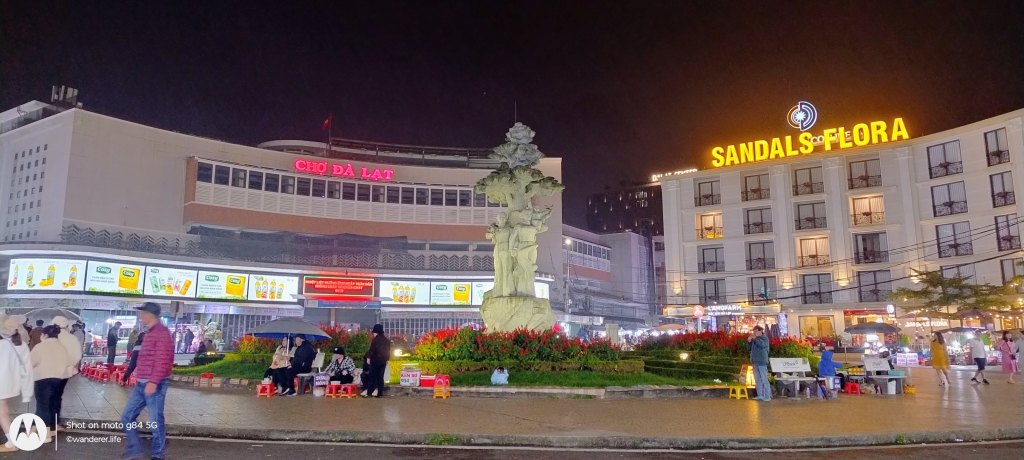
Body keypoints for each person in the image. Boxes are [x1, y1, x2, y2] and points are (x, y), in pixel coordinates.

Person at [121, 302, 173, 460]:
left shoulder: (162, 333)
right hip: (141, 383)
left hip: (154, 384)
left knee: (155, 421)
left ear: (150, 315)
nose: (140, 316)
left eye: (142, 313)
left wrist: (154, 382)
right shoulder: (149, 332)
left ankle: (158, 454)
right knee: (127, 416)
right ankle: (134, 450)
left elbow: (163, 360)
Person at [30, 325, 72, 439]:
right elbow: (68, 363)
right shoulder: (62, 347)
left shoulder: (40, 346)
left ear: (44, 335)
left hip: (43, 379)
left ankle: (46, 435)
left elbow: (31, 362)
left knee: (43, 406)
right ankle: (49, 429)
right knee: (52, 405)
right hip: (59, 379)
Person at [0, 315, 34, 453]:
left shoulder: (2, 345)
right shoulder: (22, 345)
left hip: (1, 385)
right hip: (10, 385)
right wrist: (26, 393)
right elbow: (27, 368)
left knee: (2, 412)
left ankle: (12, 443)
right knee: (3, 411)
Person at [51, 316, 82, 431]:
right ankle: (56, 422)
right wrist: (70, 366)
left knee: (49, 397)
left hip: (50, 371)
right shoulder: (72, 338)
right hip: (65, 372)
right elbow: (78, 355)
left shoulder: (51, 337)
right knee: (57, 396)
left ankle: (48, 423)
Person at [361, 324, 391, 398]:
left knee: (372, 376)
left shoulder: (375, 340)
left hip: (375, 360)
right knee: (380, 377)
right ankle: (379, 393)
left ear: (376, 332)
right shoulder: (386, 340)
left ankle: (369, 392)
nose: (373, 334)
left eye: (374, 332)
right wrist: (387, 359)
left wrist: (368, 358)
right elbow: (388, 351)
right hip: (383, 361)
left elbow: (372, 350)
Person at [747, 325, 771, 401]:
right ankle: (760, 395)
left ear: (761, 331)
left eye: (756, 331)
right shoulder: (755, 339)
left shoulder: (764, 338)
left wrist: (754, 339)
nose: (754, 333)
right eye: (754, 331)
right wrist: (749, 342)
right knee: (757, 379)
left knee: (764, 379)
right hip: (755, 362)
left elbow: (762, 345)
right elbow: (749, 349)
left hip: (762, 361)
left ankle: (767, 396)